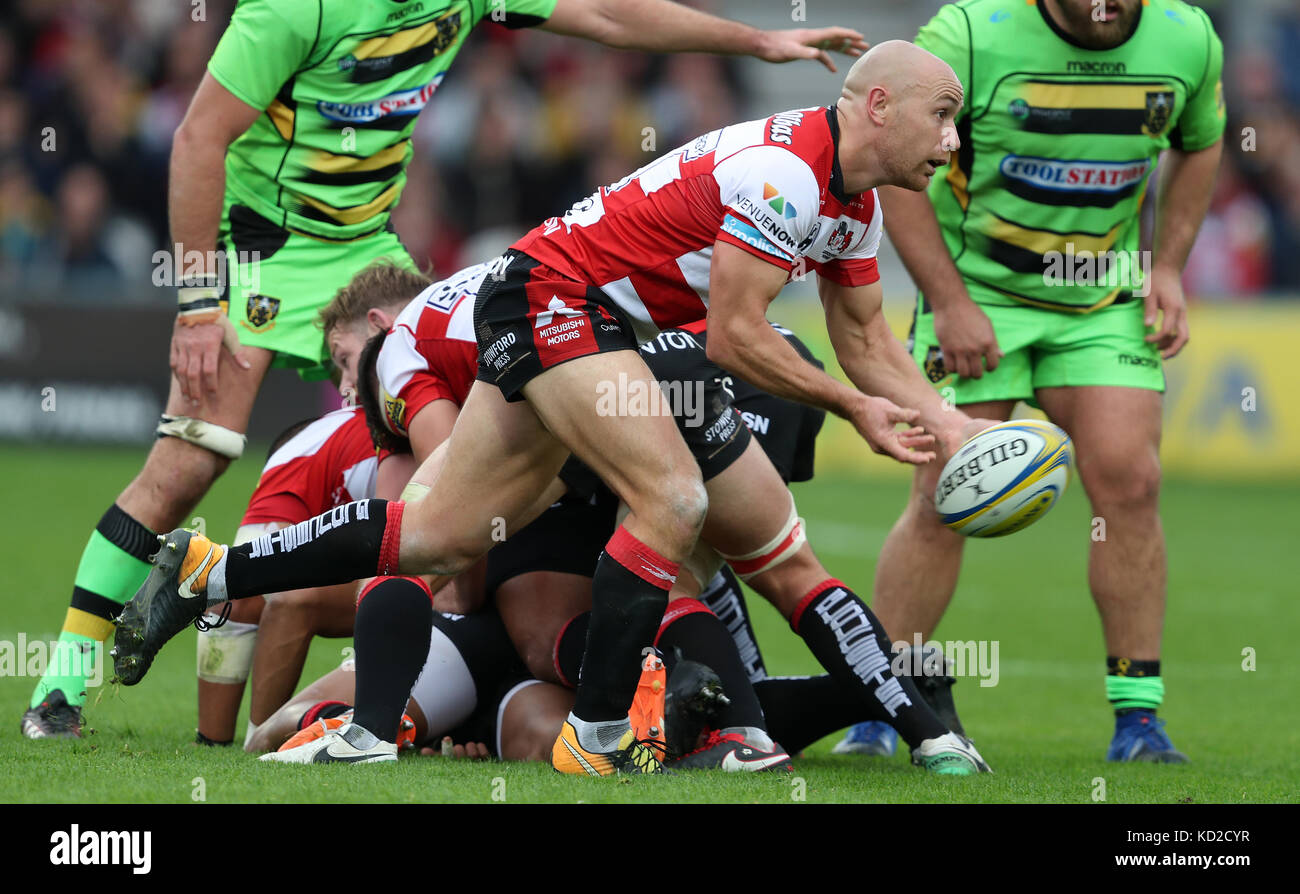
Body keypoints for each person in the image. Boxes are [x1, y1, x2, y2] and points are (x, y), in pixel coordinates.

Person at [113, 41, 983, 777]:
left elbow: (868, 342)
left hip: (593, 322)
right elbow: (734, 336)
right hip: (555, 299)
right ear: (877, 104)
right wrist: (851, 407)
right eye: (941, 115)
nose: (951, 140)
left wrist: (947, 425)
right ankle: (598, 732)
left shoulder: (855, 204)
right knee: (673, 498)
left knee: (435, 535)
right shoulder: (786, 175)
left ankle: (212, 571)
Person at [837, 0, 1224, 762]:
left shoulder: (1189, 38)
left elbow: (1202, 144)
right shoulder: (971, 34)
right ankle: (878, 708)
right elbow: (891, 168)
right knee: (943, 489)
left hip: (1102, 302)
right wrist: (948, 302)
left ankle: (1138, 721)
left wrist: (1169, 266)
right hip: (979, 294)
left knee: (1130, 481)